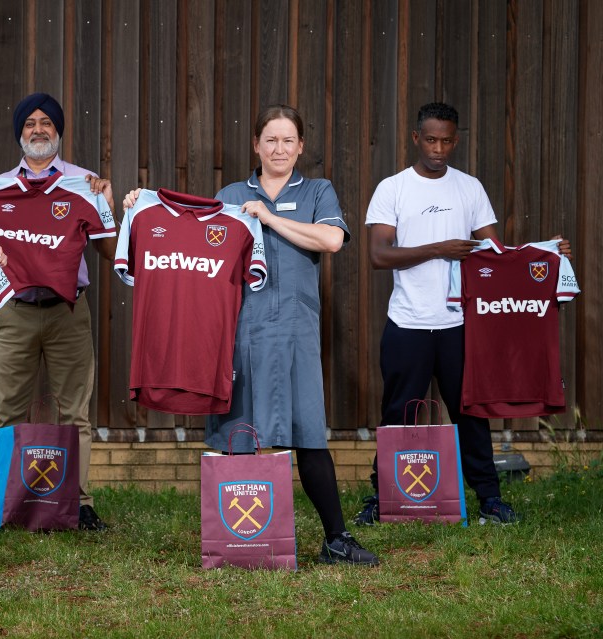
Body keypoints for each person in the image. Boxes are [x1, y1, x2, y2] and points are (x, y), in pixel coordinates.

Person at [124, 104, 378, 565]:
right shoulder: (229, 193)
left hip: (296, 332)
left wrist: (268, 217)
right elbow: (190, 230)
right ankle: (236, 541)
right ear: (255, 145)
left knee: (308, 434)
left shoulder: (318, 190)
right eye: (270, 140)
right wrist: (145, 204)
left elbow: (332, 241)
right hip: (239, 330)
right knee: (236, 434)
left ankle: (336, 539)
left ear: (300, 147)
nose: (279, 149)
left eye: (288, 141)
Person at [356, 102, 570, 526]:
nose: (439, 148)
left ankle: (489, 498)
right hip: (408, 323)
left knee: (471, 413)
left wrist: (545, 254)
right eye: (431, 139)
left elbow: (497, 255)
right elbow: (379, 255)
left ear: (456, 140)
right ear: (416, 138)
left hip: (460, 326)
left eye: (447, 140)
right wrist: (439, 248)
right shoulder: (393, 188)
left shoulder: (468, 188)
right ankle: (383, 498)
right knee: (399, 414)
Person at [0, 92, 116, 533]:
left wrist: (108, 202)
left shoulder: (86, 184)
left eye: (46, 122)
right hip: (14, 311)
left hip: (68, 310)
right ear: (20, 133)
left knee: (75, 410)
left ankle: (80, 503)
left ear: (58, 130)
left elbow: (111, 249)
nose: (38, 129)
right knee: (8, 410)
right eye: (29, 124)